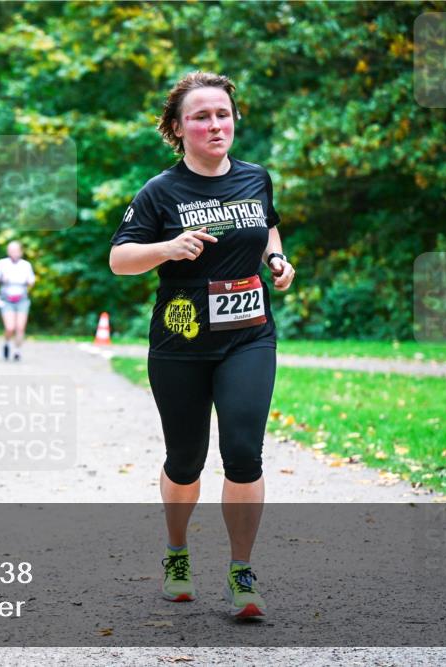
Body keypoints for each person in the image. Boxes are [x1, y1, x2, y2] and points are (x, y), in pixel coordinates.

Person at [109, 71, 295, 619]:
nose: (215, 124)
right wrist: (167, 247)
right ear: (178, 127)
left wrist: (277, 262)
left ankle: (242, 574)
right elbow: (120, 260)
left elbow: (268, 229)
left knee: (243, 453)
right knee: (185, 460)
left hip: (249, 337)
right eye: (201, 116)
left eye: (223, 114)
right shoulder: (159, 191)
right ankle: (177, 552)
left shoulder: (256, 178)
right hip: (181, 340)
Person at [0, 241, 36, 361]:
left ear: (20, 252)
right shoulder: (2, 264)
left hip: (22, 299)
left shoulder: (26, 265)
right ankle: (6, 343)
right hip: (7, 300)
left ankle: (17, 351)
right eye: (11, 250)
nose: (14, 253)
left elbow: (32, 281)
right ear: (8, 251)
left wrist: (28, 282)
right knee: (10, 327)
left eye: (16, 250)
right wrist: (1, 279)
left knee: (20, 327)